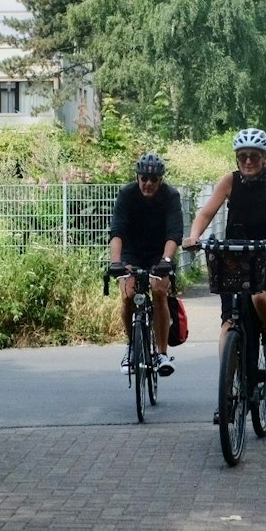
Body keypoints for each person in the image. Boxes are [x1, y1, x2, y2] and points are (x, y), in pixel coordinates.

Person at [185, 128, 266, 375]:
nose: (248, 161)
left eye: (255, 156)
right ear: (237, 158)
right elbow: (206, 213)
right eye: (243, 156)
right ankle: (228, 388)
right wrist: (194, 236)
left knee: (261, 296)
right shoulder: (229, 181)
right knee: (229, 322)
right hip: (235, 256)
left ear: (264, 158)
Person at [107, 152, 184, 376]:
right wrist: (116, 262)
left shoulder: (170, 196)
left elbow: (174, 233)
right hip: (132, 250)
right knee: (128, 294)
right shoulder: (127, 194)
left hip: (160, 251)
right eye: (144, 179)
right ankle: (131, 347)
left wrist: (166, 261)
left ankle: (161, 353)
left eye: (154, 180)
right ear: (137, 177)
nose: (148, 184)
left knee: (159, 291)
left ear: (161, 180)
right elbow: (117, 231)